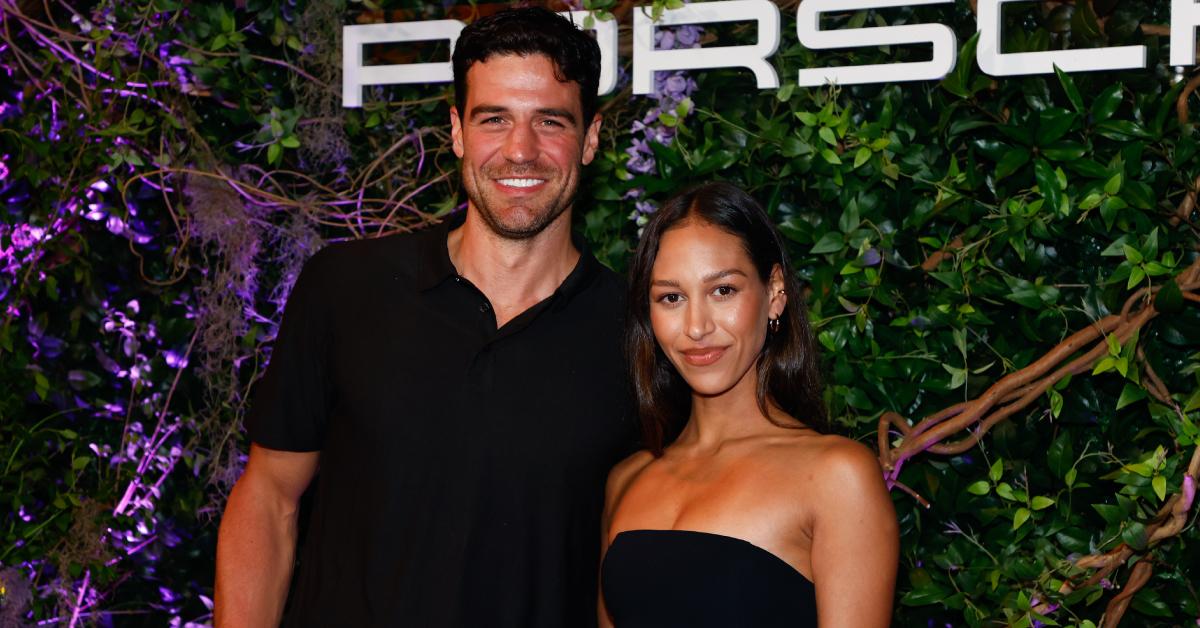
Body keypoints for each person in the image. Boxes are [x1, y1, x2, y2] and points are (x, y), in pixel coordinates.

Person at [215, 8, 635, 627]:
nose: (521, 150)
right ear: (458, 131)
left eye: (550, 121)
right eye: (494, 119)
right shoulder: (346, 287)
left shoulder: (636, 332)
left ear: (591, 138)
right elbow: (270, 495)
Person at [599, 182, 899, 627]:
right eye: (671, 297)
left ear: (774, 292)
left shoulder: (836, 476)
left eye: (723, 291)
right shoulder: (626, 480)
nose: (696, 326)